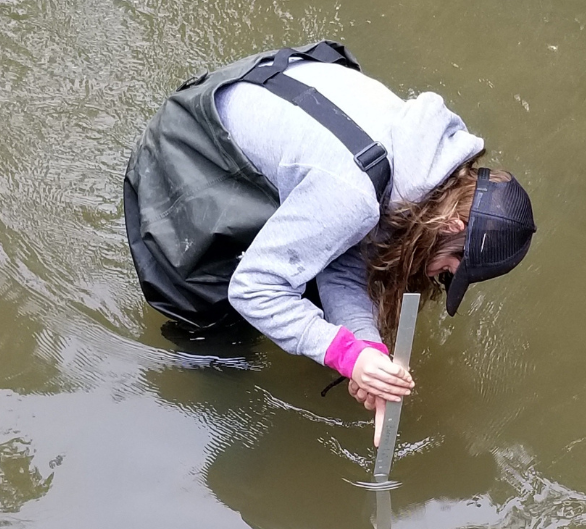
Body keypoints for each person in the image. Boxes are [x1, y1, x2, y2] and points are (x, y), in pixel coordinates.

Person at [124, 42, 535, 436]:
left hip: (260, 85)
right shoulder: (351, 195)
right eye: (450, 268)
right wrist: (343, 355)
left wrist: (366, 350)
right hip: (191, 145)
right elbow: (251, 288)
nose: (439, 275)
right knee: (219, 331)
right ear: (453, 227)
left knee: (316, 270)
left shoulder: (427, 160)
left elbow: (341, 261)